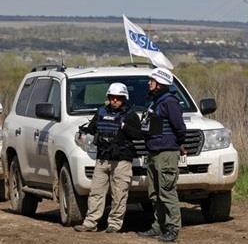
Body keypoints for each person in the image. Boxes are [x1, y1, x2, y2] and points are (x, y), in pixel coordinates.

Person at [73, 82, 142, 233]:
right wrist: (83, 133)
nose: (115, 100)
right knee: (96, 192)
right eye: (112, 97)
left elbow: (138, 135)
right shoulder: (101, 112)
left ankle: (114, 225)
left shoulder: (130, 115)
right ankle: (90, 223)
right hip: (103, 158)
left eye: (118, 98)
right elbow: (91, 129)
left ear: (124, 98)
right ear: (109, 97)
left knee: (119, 194)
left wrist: (124, 126)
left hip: (122, 160)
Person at [137, 68, 187, 242]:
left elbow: (180, 128)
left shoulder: (170, 102)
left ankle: (173, 229)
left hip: (166, 153)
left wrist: (177, 143)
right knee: (154, 193)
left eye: (152, 80)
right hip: (153, 152)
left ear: (160, 84)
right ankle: (158, 226)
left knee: (167, 191)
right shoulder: (155, 102)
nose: (149, 83)